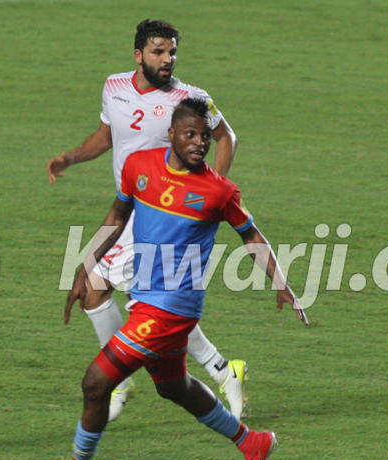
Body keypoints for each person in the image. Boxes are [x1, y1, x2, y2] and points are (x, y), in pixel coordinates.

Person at [36, 98, 308, 460]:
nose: (200, 143)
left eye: (205, 135)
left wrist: (281, 282)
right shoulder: (139, 167)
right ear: (172, 135)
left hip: (173, 308)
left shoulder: (218, 190)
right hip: (144, 296)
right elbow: (117, 216)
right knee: (173, 387)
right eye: (191, 134)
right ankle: (253, 443)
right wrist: (85, 267)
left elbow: (251, 235)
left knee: (95, 383)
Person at [48, 19, 247, 421]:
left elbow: (226, 137)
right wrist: (70, 157)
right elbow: (106, 137)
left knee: (118, 296)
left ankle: (120, 380)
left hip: (163, 217)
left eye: (172, 52)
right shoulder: (114, 88)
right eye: (159, 52)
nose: (167, 59)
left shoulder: (190, 98)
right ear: (139, 55)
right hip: (129, 212)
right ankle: (222, 370)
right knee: (121, 297)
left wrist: (211, 191)